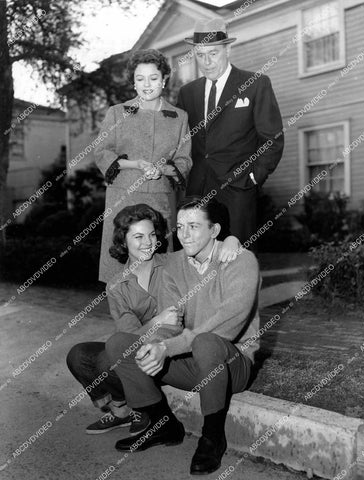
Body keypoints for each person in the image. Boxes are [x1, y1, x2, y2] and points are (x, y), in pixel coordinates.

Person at [105, 197, 261, 475]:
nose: (184, 235)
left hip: (230, 366)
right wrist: (155, 346)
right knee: (119, 343)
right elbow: (170, 321)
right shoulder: (175, 265)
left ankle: (213, 437)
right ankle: (162, 424)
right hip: (192, 363)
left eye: (193, 226)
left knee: (206, 341)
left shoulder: (240, 260)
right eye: (179, 227)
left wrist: (233, 240)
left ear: (214, 231)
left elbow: (228, 325)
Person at [66, 203, 240, 436]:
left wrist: (231, 241)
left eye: (152, 235)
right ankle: (122, 409)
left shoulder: (174, 262)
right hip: (138, 351)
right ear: (122, 241)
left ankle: (143, 410)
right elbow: (129, 334)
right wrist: (157, 321)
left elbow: (209, 250)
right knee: (79, 356)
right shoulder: (117, 285)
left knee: (107, 360)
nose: (148, 242)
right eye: (138, 236)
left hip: (176, 353)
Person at [177, 18, 284, 250]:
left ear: (228, 49)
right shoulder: (187, 93)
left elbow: (272, 139)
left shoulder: (256, 84)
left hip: (238, 190)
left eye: (213, 53)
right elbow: (182, 142)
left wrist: (254, 178)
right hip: (197, 192)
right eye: (200, 55)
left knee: (238, 263)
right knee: (198, 263)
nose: (206, 62)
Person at [94, 49, 192, 283]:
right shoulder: (117, 113)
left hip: (159, 202)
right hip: (122, 199)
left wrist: (162, 169)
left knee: (159, 274)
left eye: (153, 78)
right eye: (140, 79)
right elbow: (101, 151)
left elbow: (184, 160)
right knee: (120, 273)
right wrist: (134, 163)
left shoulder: (180, 117)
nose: (147, 85)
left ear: (164, 79)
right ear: (133, 83)